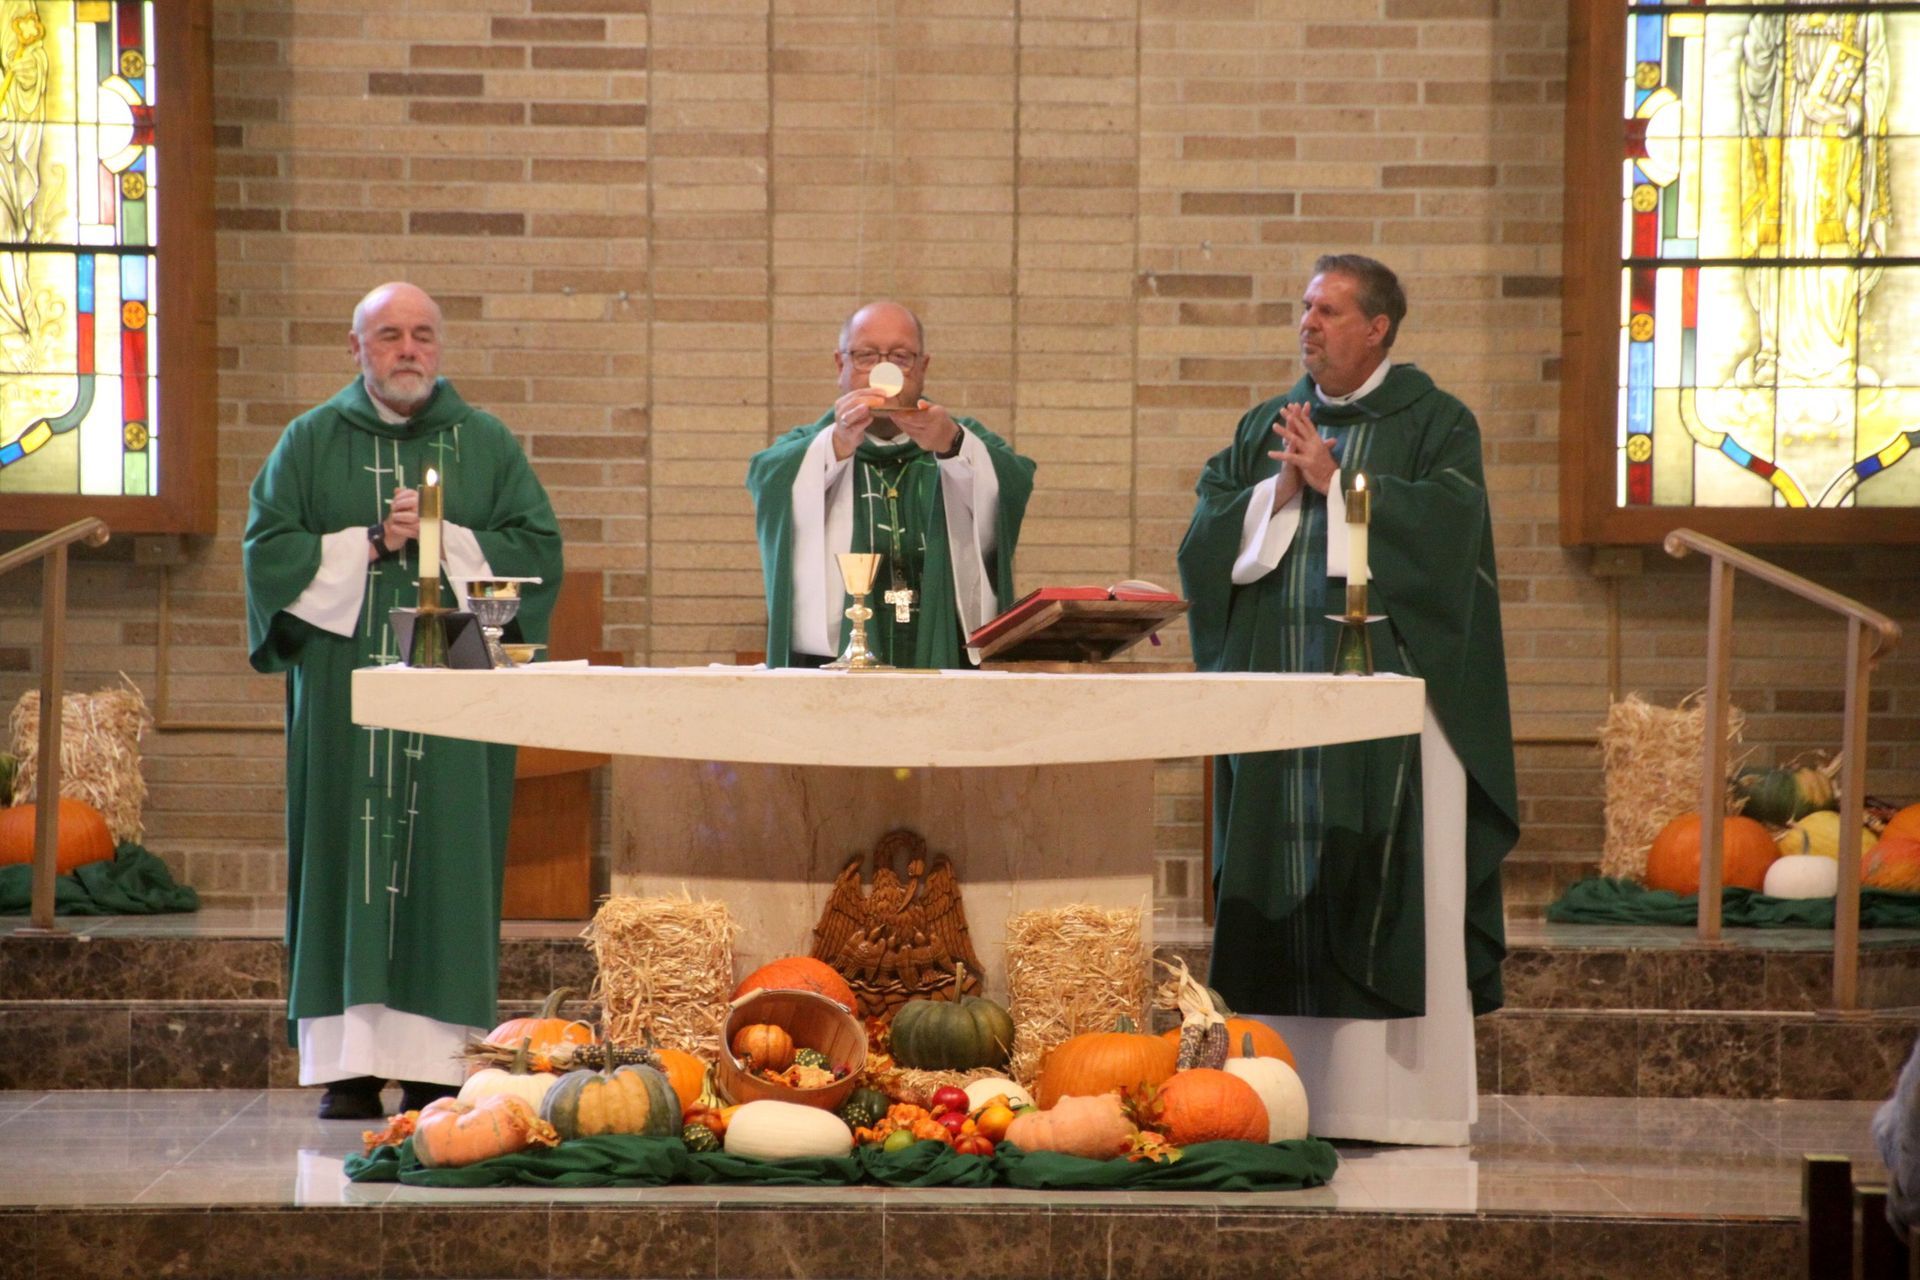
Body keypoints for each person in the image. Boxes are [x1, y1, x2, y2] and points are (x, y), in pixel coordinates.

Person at [1177, 254, 1520, 1146]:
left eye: (1329, 311)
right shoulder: (1267, 424)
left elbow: (1452, 541)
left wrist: (1344, 485)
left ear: (1378, 328)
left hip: (1391, 730)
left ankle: (1390, 1104)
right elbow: (1205, 539)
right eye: (1304, 308)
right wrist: (1274, 493)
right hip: (1277, 717)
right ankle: (1275, 1101)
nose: (1309, 325)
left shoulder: (1438, 424)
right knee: (1273, 884)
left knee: (1385, 884)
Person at [243, 282, 562, 1119]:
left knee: (447, 853)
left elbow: (538, 552)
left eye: (423, 335)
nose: (408, 349)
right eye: (389, 335)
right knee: (346, 850)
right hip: (345, 676)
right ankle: (347, 1067)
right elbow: (267, 553)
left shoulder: (484, 442)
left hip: (455, 670)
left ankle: (438, 1063)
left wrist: (446, 538)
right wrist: (370, 543)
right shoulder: (310, 441)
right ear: (357, 349)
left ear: (441, 348)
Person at [746, 300, 1034, 668]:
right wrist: (836, 446)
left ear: (923, 366)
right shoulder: (812, 448)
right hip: (837, 665)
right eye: (866, 355)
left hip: (942, 647)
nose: (883, 370)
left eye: (900, 357)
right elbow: (766, 476)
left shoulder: (961, 441)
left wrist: (952, 445)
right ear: (841, 364)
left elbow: (1013, 481)